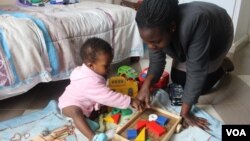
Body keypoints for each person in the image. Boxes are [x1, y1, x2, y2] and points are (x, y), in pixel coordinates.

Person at [135, 0, 234, 130]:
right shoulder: (155, 29)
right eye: (146, 42)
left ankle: (223, 64)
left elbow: (197, 71)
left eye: (155, 41)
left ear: (172, 27)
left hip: (217, 36)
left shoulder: (197, 20)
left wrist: (186, 112)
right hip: (189, 35)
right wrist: (146, 86)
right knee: (179, 81)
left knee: (201, 86)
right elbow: (157, 61)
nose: (150, 46)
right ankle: (192, 53)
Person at [58, 37, 143, 141]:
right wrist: (130, 100)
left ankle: (87, 121)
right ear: (91, 65)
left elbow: (100, 92)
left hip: (85, 103)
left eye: (110, 64)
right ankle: (93, 137)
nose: (109, 68)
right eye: (106, 66)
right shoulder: (88, 81)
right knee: (76, 113)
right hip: (68, 104)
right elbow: (107, 96)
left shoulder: (91, 72)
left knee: (97, 112)